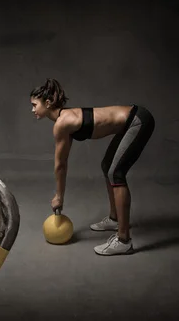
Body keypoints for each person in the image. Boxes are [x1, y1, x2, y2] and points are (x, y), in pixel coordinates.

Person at [30, 79, 155, 255]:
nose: (33, 109)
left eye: (35, 105)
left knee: (116, 173)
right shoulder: (64, 119)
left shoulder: (62, 123)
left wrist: (59, 196)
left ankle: (124, 239)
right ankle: (115, 219)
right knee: (107, 166)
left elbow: (60, 165)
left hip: (137, 120)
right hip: (131, 121)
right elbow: (62, 161)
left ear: (48, 103)